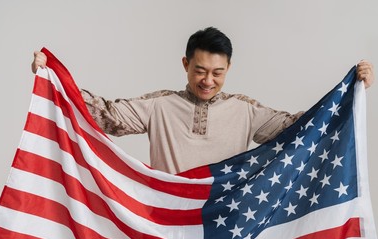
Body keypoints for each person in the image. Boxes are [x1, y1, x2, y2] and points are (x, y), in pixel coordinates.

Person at [31, 27, 375, 174]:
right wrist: (53, 76)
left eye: (217, 73)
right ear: (185, 64)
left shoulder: (245, 110)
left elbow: (301, 126)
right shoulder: (159, 106)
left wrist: (351, 92)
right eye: (199, 71)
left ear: (228, 69)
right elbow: (102, 115)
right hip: (165, 223)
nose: (207, 80)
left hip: (225, 223)